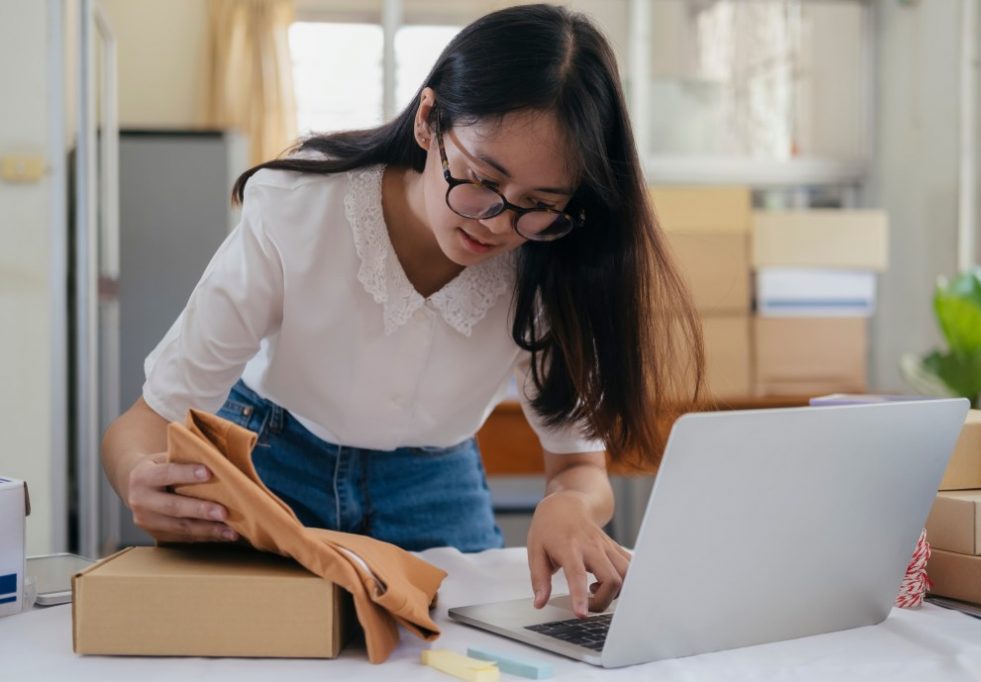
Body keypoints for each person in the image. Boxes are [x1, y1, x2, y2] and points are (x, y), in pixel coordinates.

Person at [101, 3, 704, 621]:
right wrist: (138, 478)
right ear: (427, 120)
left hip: (434, 483)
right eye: (479, 177)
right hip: (271, 464)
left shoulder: (552, 258)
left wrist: (570, 504)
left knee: (470, 646)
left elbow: (580, 466)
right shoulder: (299, 208)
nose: (495, 223)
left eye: (538, 203)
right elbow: (142, 424)